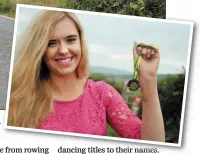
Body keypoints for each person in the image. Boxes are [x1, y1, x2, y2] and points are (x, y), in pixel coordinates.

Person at [8, 10, 165, 142]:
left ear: (80, 43)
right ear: (39, 49)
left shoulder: (102, 94)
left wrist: (149, 79)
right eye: (51, 43)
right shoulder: (20, 95)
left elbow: (151, 144)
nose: (63, 50)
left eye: (70, 40)